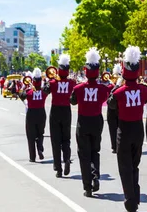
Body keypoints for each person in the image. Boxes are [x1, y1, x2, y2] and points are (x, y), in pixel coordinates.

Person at [108, 46, 147, 212]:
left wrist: (117, 84)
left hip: (124, 130)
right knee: (135, 166)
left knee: (125, 169)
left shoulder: (118, 92)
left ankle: (131, 204)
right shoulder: (144, 89)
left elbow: (111, 104)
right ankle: (135, 197)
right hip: (138, 129)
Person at [70, 48, 110, 197]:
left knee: (83, 154)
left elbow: (72, 101)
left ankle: (87, 186)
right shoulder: (102, 89)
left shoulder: (78, 88)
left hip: (83, 121)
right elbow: (106, 99)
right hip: (97, 120)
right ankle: (95, 176)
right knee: (95, 151)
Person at [44, 54, 76, 178]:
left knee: (55, 140)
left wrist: (49, 80)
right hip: (67, 111)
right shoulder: (72, 82)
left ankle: (58, 168)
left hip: (55, 110)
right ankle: (67, 159)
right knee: (66, 139)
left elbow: (45, 91)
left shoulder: (52, 82)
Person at [20, 68, 48, 163]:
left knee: (30, 136)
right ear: (41, 82)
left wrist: (25, 86)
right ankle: (40, 147)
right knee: (40, 133)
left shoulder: (29, 91)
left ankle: (32, 157)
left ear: (33, 81)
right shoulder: (44, 91)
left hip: (31, 114)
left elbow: (21, 95)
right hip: (41, 113)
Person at [107, 63, 122, 154]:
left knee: (119, 128)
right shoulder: (109, 86)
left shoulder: (121, 87)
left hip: (119, 109)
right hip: (111, 109)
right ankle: (114, 146)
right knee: (112, 128)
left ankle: (118, 145)